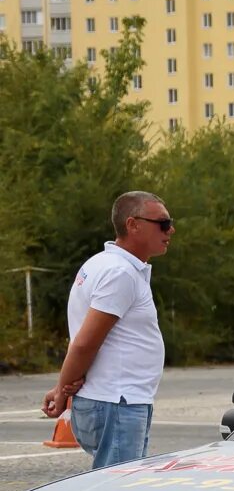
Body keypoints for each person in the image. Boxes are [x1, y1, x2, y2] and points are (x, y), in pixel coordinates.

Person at [43, 191, 173, 470]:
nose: (170, 230)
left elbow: (84, 337)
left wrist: (64, 385)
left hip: (115, 400)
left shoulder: (101, 264)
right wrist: (61, 390)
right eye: (162, 222)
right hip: (117, 402)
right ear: (133, 224)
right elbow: (84, 343)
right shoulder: (120, 273)